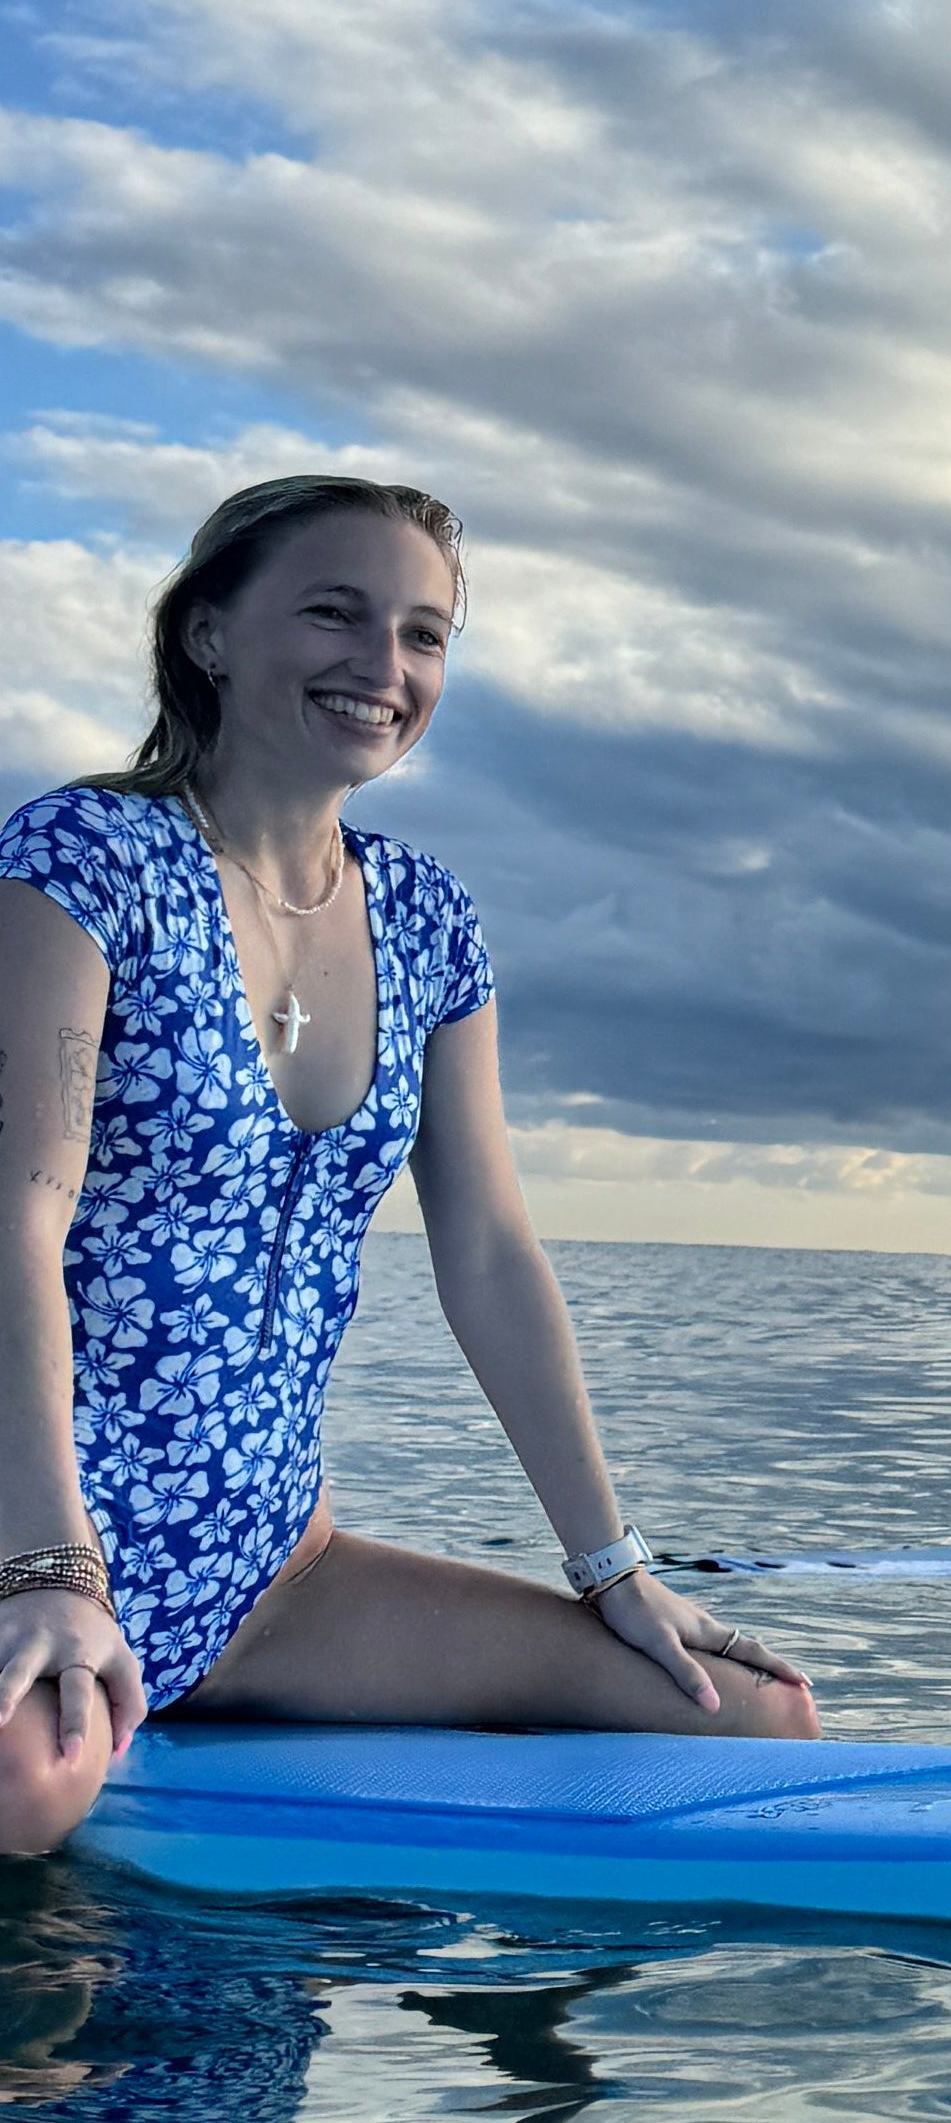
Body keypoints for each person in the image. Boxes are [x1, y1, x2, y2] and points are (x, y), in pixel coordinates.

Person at [0, 472, 814, 1866]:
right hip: (39, 1538)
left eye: (423, 635)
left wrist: (611, 1566)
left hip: (272, 1577)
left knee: (746, 1712)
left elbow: (490, 1251)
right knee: (26, 1791)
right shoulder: (82, 859)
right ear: (208, 633)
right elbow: (20, 1210)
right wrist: (51, 1571)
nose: (384, 667)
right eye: (335, 613)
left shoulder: (429, 918)